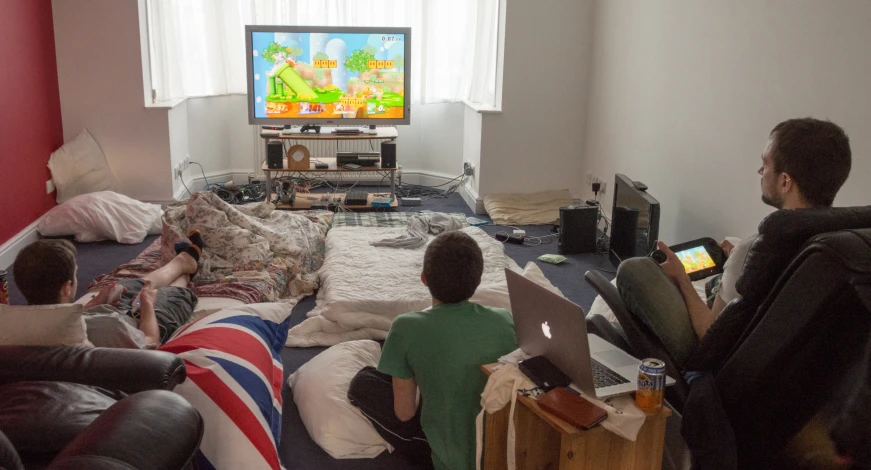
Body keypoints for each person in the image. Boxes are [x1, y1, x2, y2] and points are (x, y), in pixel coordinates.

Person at [615, 117, 852, 364]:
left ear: (784, 181)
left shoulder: (754, 249)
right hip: (780, 367)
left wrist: (681, 279)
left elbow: (710, 334)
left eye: (765, 164)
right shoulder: (839, 243)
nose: (760, 171)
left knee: (634, 269)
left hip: (718, 366)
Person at [349, 231, 518, 470]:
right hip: (501, 451)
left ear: (423, 278)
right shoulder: (505, 319)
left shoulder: (405, 327)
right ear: (478, 280)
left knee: (363, 382)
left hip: (444, 460)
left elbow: (405, 413)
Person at [12, 232, 206, 348]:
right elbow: (150, 342)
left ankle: (183, 261)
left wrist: (93, 304)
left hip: (109, 316)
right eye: (76, 274)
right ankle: (185, 267)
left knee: (135, 285)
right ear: (67, 287)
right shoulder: (106, 326)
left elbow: (59, 320)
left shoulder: (14, 328)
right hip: (140, 323)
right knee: (169, 293)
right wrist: (147, 305)